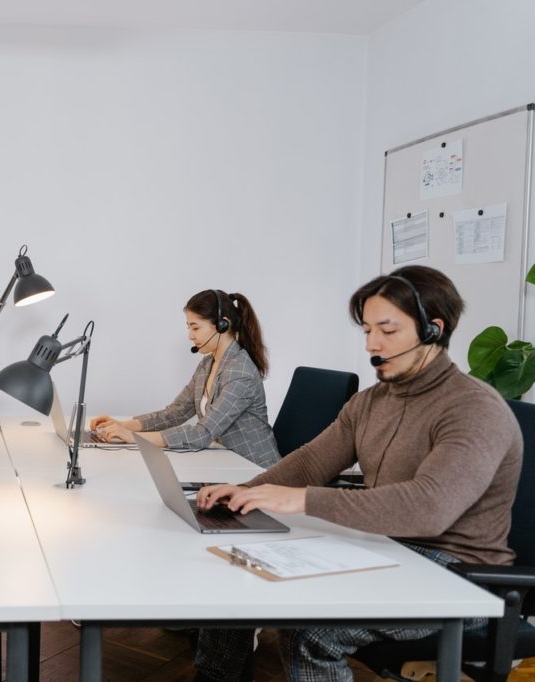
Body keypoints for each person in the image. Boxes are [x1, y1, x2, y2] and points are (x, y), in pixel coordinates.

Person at [193, 265, 522, 682]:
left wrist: (301, 499)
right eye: (367, 330)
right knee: (240, 569)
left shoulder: (473, 408)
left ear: (433, 330)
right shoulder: (372, 401)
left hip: (458, 574)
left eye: (387, 330)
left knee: (312, 631)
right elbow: (313, 461)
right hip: (386, 547)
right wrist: (246, 493)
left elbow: (428, 509)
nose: (372, 345)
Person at [89, 289, 280, 467]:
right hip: (228, 464)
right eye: (189, 327)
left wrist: (132, 436)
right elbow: (176, 412)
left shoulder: (240, 372)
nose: (190, 336)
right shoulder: (208, 364)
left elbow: (202, 434)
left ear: (223, 325)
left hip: (256, 471)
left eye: (195, 328)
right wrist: (123, 425)